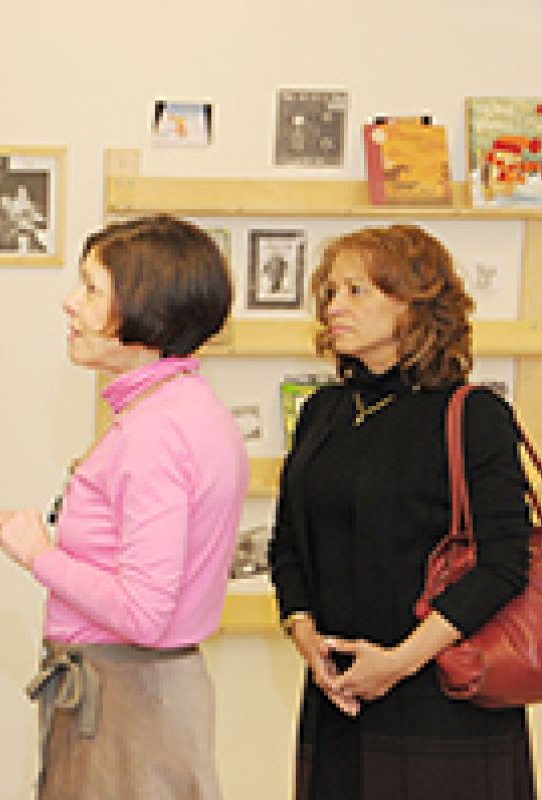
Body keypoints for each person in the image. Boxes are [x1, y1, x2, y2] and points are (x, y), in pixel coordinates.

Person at [268, 224, 535, 799]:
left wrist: (399, 662)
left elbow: (503, 564)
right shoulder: (322, 412)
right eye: (331, 293)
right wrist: (305, 635)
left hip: (446, 693)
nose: (335, 307)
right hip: (339, 694)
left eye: (357, 291)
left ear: (415, 305)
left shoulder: (474, 414)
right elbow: (288, 542)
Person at [0, 215, 248, 799]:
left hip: (128, 699)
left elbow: (143, 612)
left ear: (143, 310)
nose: (69, 303)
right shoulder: (186, 406)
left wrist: (39, 556)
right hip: (147, 692)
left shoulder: (152, 432)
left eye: (91, 289)